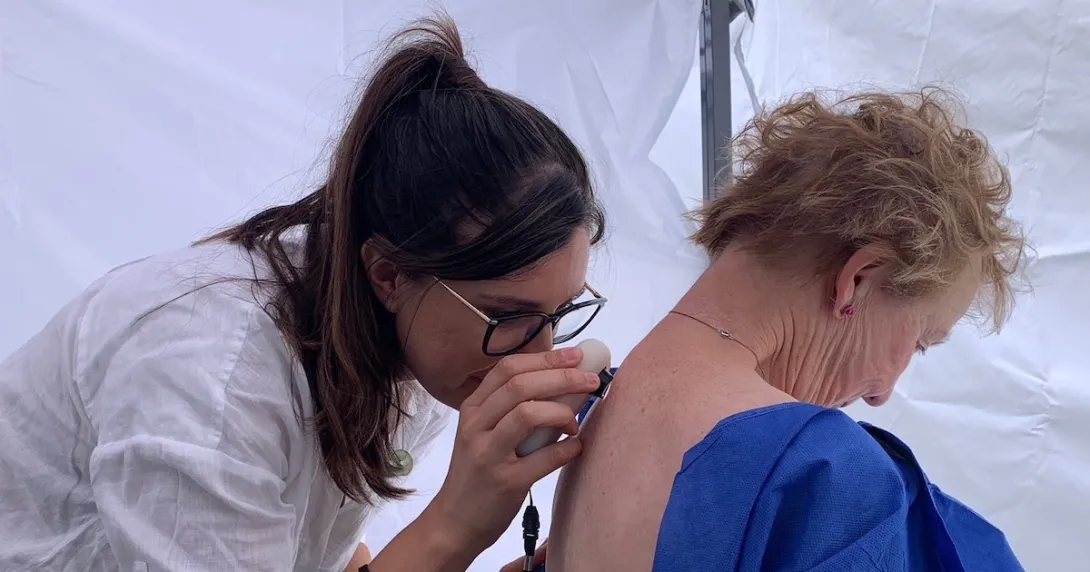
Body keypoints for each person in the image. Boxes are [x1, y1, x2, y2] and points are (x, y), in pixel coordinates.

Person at [0, 15, 608, 572]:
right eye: (508, 315)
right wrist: (455, 525)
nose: (537, 353)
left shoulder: (403, 349)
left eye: (561, 313)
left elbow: (311, 549)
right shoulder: (208, 373)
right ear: (390, 276)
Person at [547, 88, 1027, 571]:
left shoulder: (592, 418)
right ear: (857, 280)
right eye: (919, 342)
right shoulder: (824, 473)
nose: (885, 391)